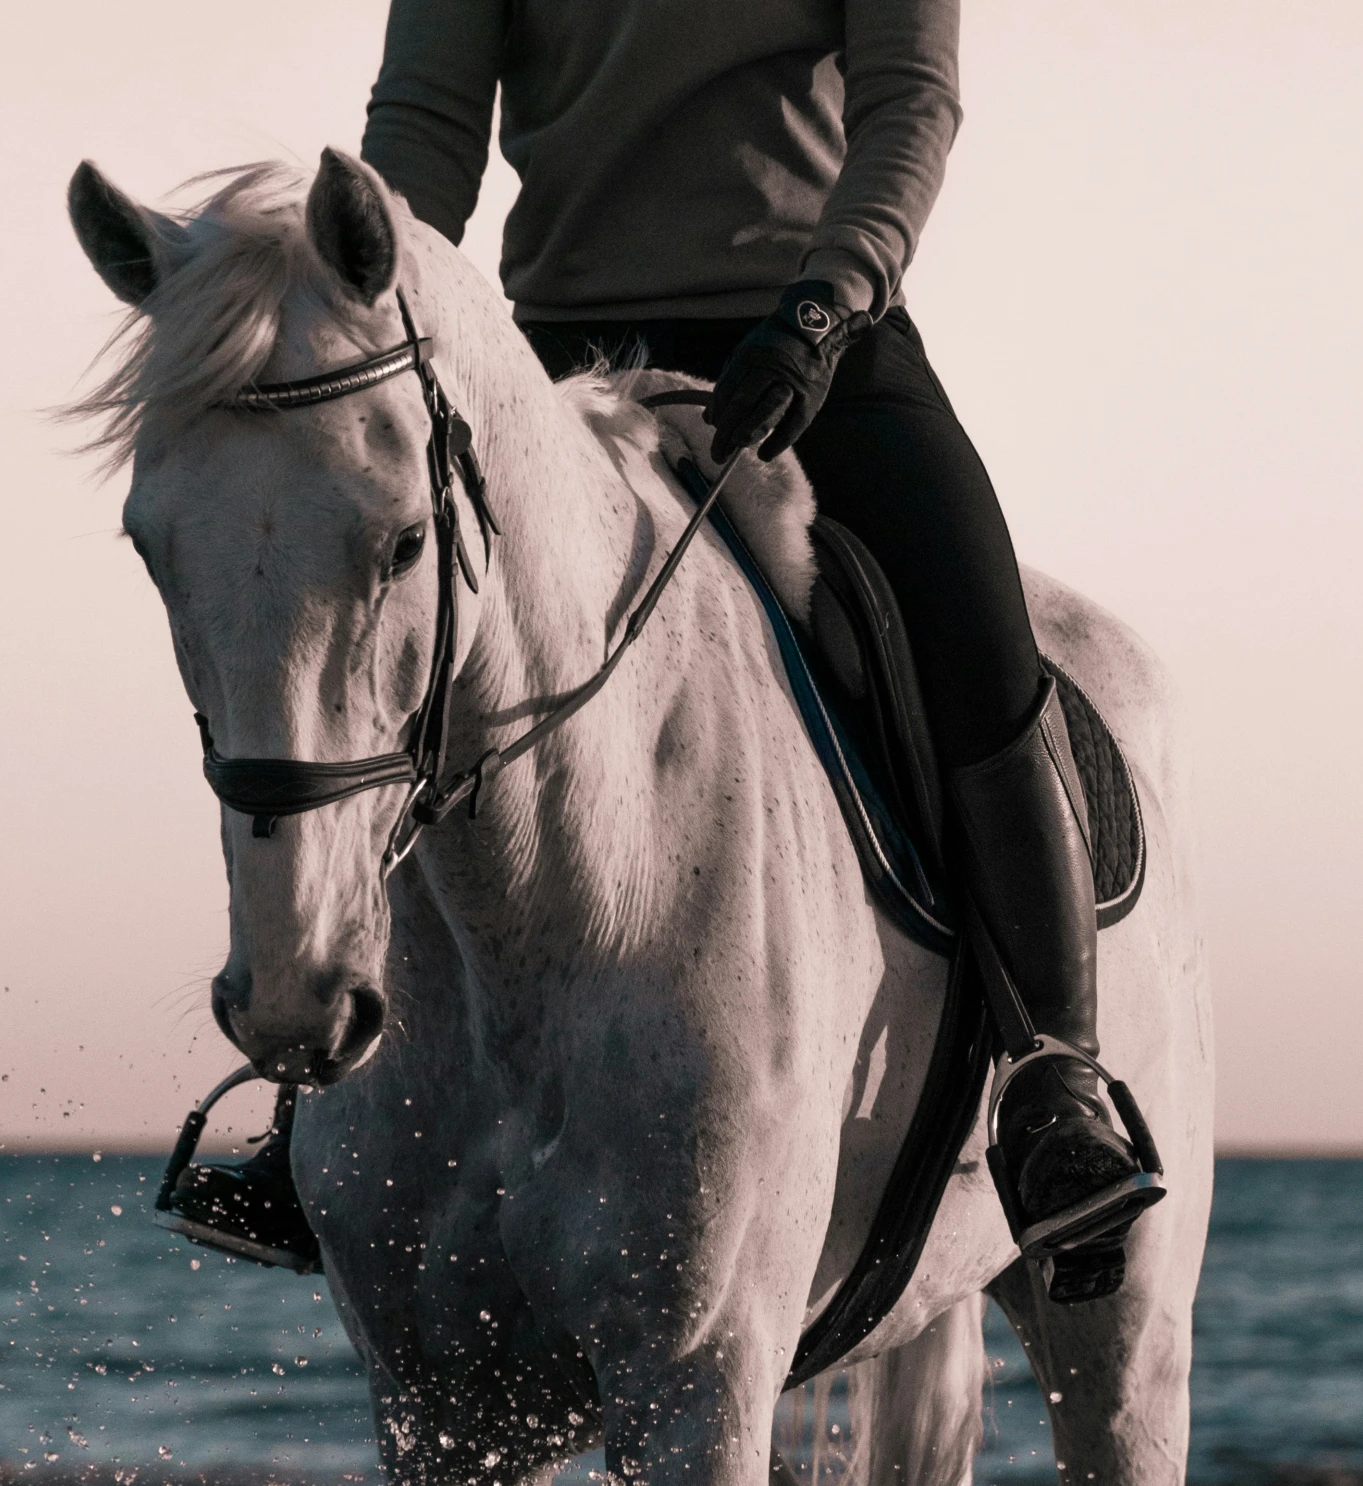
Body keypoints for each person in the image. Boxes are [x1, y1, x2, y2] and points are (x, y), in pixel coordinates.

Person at [166, 0, 1162, 1301]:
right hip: (549, 351)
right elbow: (420, 136)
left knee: (972, 629)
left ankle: (1052, 1082)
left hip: (814, 335)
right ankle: (323, 1112)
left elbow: (910, 104)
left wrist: (825, 303)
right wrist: (366, 307)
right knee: (384, 632)